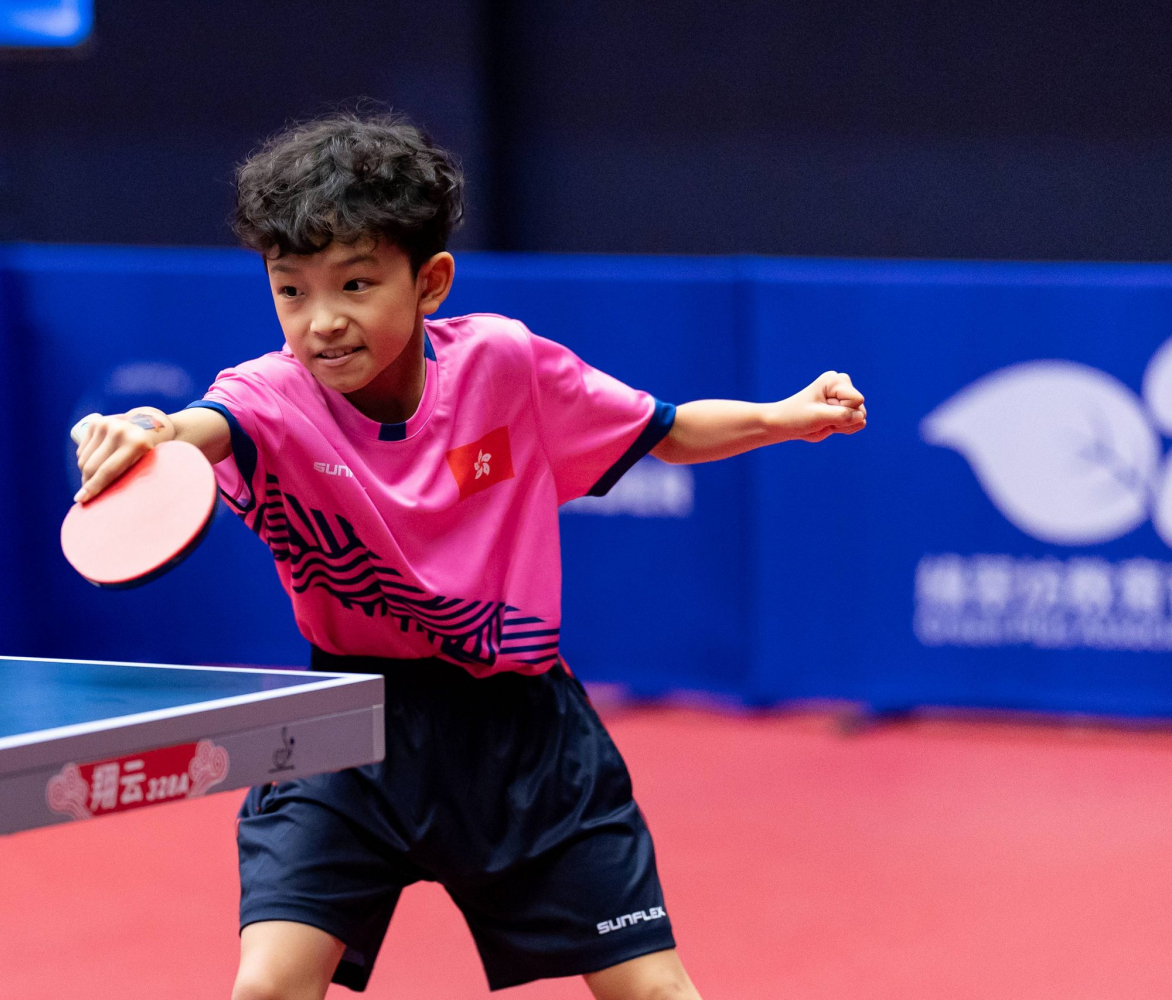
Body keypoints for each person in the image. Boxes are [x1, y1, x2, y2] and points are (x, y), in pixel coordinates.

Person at [74, 111, 866, 1000]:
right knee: (267, 988)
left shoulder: (504, 365)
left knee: (654, 991)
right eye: (291, 291)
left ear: (430, 282)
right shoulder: (268, 396)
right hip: (347, 725)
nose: (322, 322)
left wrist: (784, 416)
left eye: (356, 284)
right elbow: (201, 427)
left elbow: (669, 430)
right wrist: (146, 431)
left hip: (521, 732)